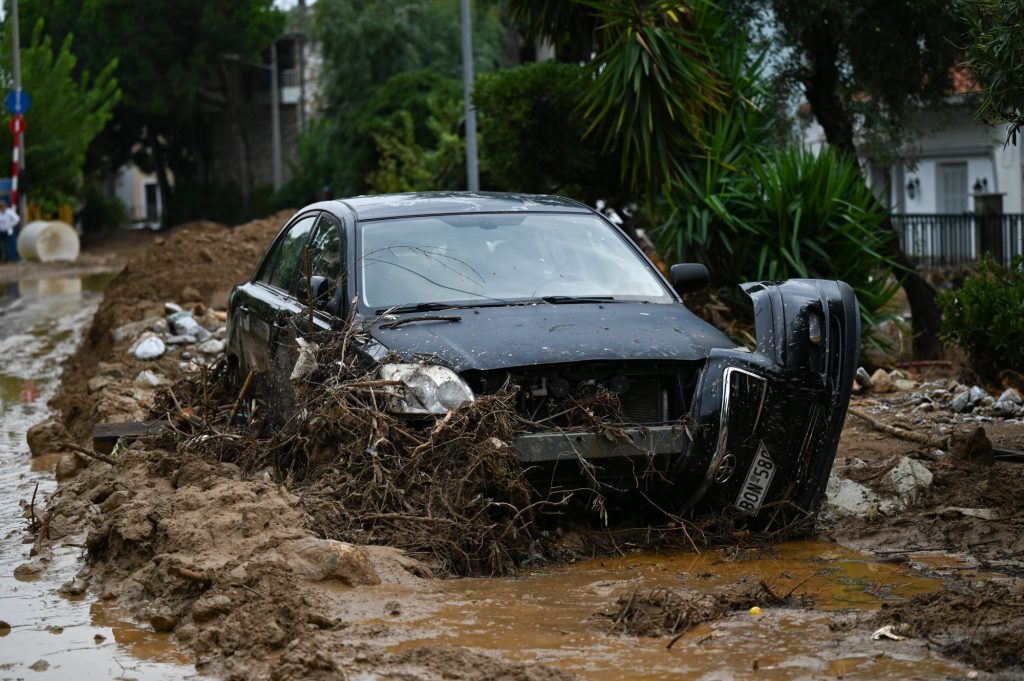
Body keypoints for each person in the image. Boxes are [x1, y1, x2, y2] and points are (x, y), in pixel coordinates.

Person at [0, 197, 19, 262]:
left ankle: (12, 257)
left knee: (10, 244)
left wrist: (10, 225)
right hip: (1, 231)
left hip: (9, 231)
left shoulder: (9, 212)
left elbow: (17, 219)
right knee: (3, 245)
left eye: (2, 205)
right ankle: (5, 257)